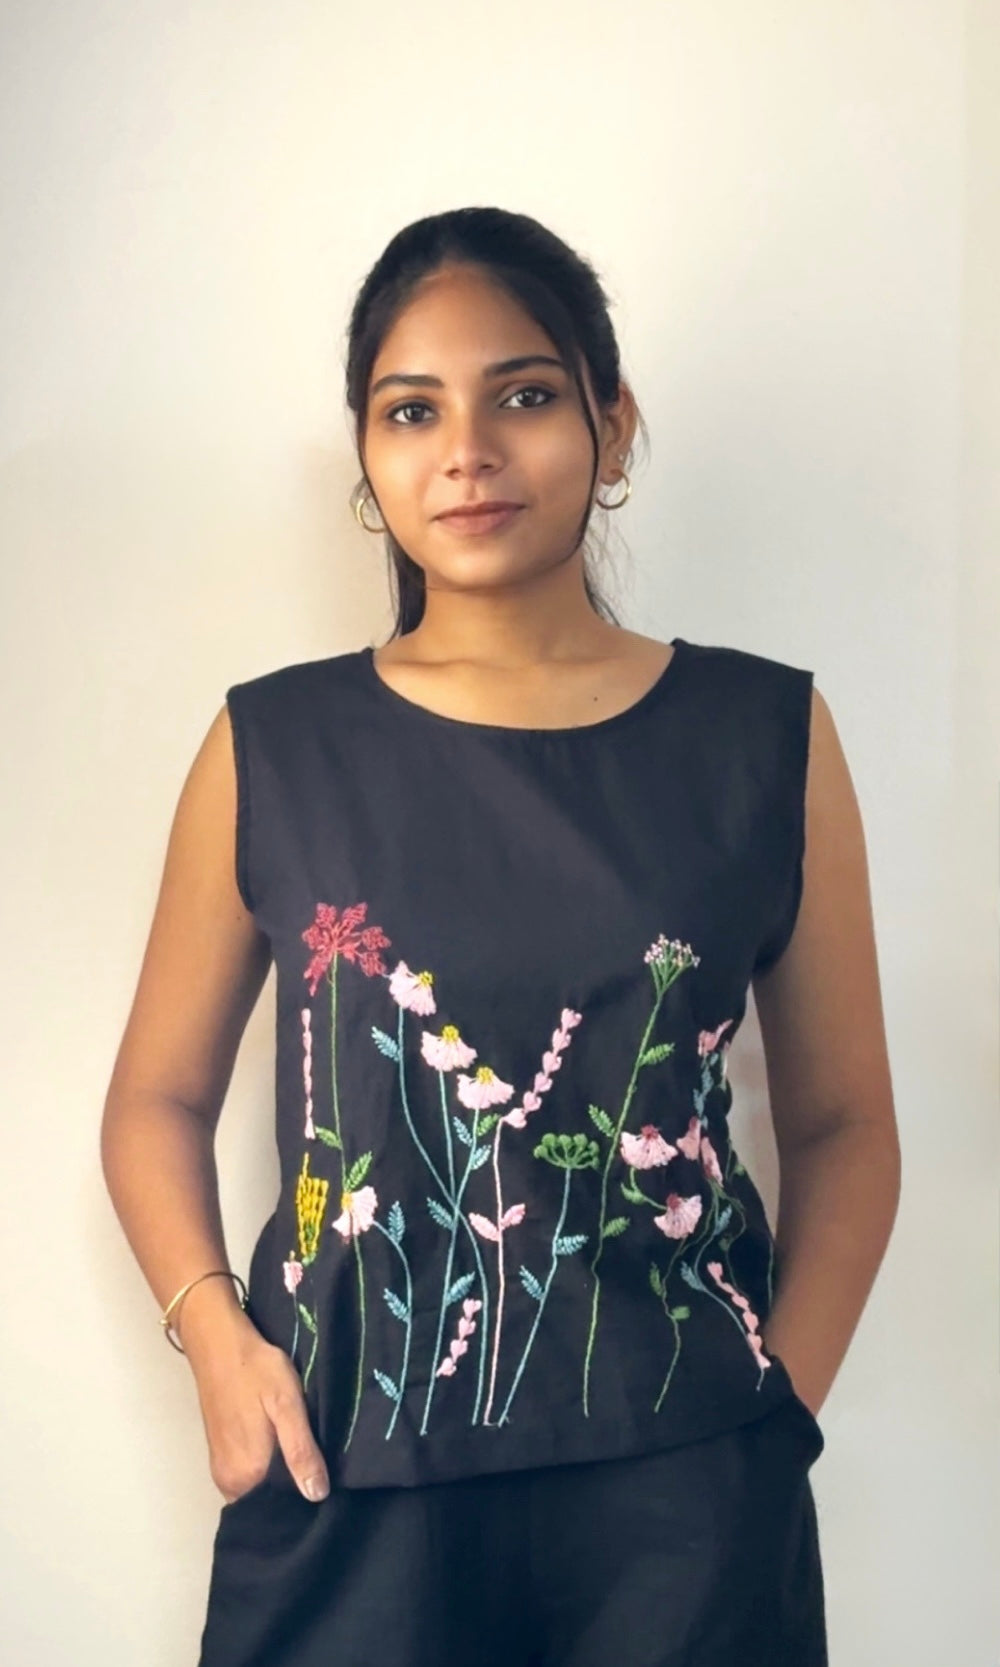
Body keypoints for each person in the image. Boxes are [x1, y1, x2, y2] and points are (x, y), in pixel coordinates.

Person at [100, 206, 900, 1667]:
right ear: (367, 459)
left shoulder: (764, 736)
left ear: (612, 423)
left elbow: (846, 1123)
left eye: (523, 395)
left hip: (688, 1507)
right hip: (345, 1482)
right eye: (412, 411)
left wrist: (775, 1412)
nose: (465, 451)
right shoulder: (273, 746)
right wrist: (216, 1340)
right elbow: (153, 1099)